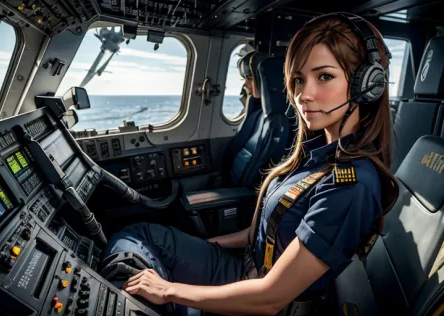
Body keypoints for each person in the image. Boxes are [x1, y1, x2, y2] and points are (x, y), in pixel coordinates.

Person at [102, 12, 399, 315]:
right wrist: (211, 245)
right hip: (243, 265)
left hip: (259, 294)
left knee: (137, 262)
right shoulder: (315, 154)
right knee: (140, 235)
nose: (303, 95)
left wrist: (169, 291)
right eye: (298, 79)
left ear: (367, 85)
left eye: (324, 76)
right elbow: (262, 232)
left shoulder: (351, 186)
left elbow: (271, 299)